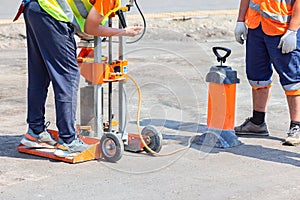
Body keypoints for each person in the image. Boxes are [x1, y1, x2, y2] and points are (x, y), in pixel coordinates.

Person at [18, 0, 142, 157]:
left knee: (39, 74)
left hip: (33, 8)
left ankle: (35, 132)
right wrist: (123, 32)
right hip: (51, 12)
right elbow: (90, 27)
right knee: (68, 77)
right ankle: (68, 141)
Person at [234, 0, 300, 145]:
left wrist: (293, 30)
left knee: (292, 80)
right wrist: (240, 20)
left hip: (283, 30)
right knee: (257, 77)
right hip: (256, 26)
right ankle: (257, 122)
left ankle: (297, 125)